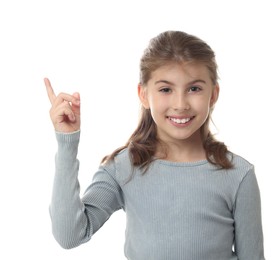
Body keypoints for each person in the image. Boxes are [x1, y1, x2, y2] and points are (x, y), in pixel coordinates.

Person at [45, 30, 265, 260]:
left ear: (213, 95)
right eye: (165, 89)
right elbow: (70, 235)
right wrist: (67, 143)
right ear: (143, 94)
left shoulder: (238, 174)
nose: (180, 104)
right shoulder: (123, 168)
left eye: (194, 89)